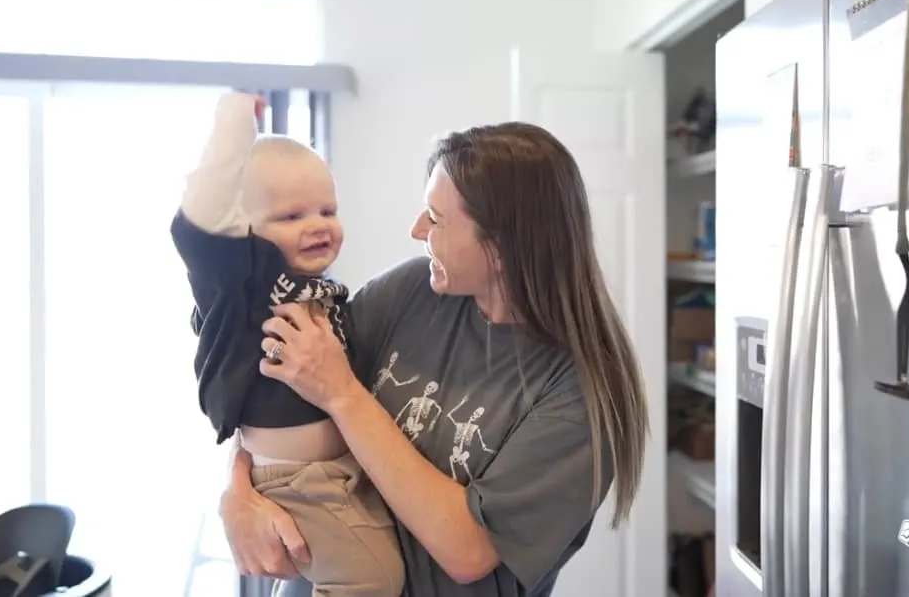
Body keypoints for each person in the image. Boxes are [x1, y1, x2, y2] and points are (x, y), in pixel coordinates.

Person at [219, 122, 650, 597]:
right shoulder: (412, 290)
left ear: (502, 245)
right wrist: (236, 490)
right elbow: (281, 393)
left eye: (435, 218)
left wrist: (343, 394)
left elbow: (468, 551)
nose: (417, 230)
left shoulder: (584, 394)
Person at [171, 92, 403, 597]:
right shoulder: (241, 284)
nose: (317, 224)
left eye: (327, 209)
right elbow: (199, 220)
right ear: (245, 232)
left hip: (337, 474)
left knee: (372, 563)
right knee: (375, 579)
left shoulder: (324, 288)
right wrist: (234, 122)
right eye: (291, 216)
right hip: (292, 482)